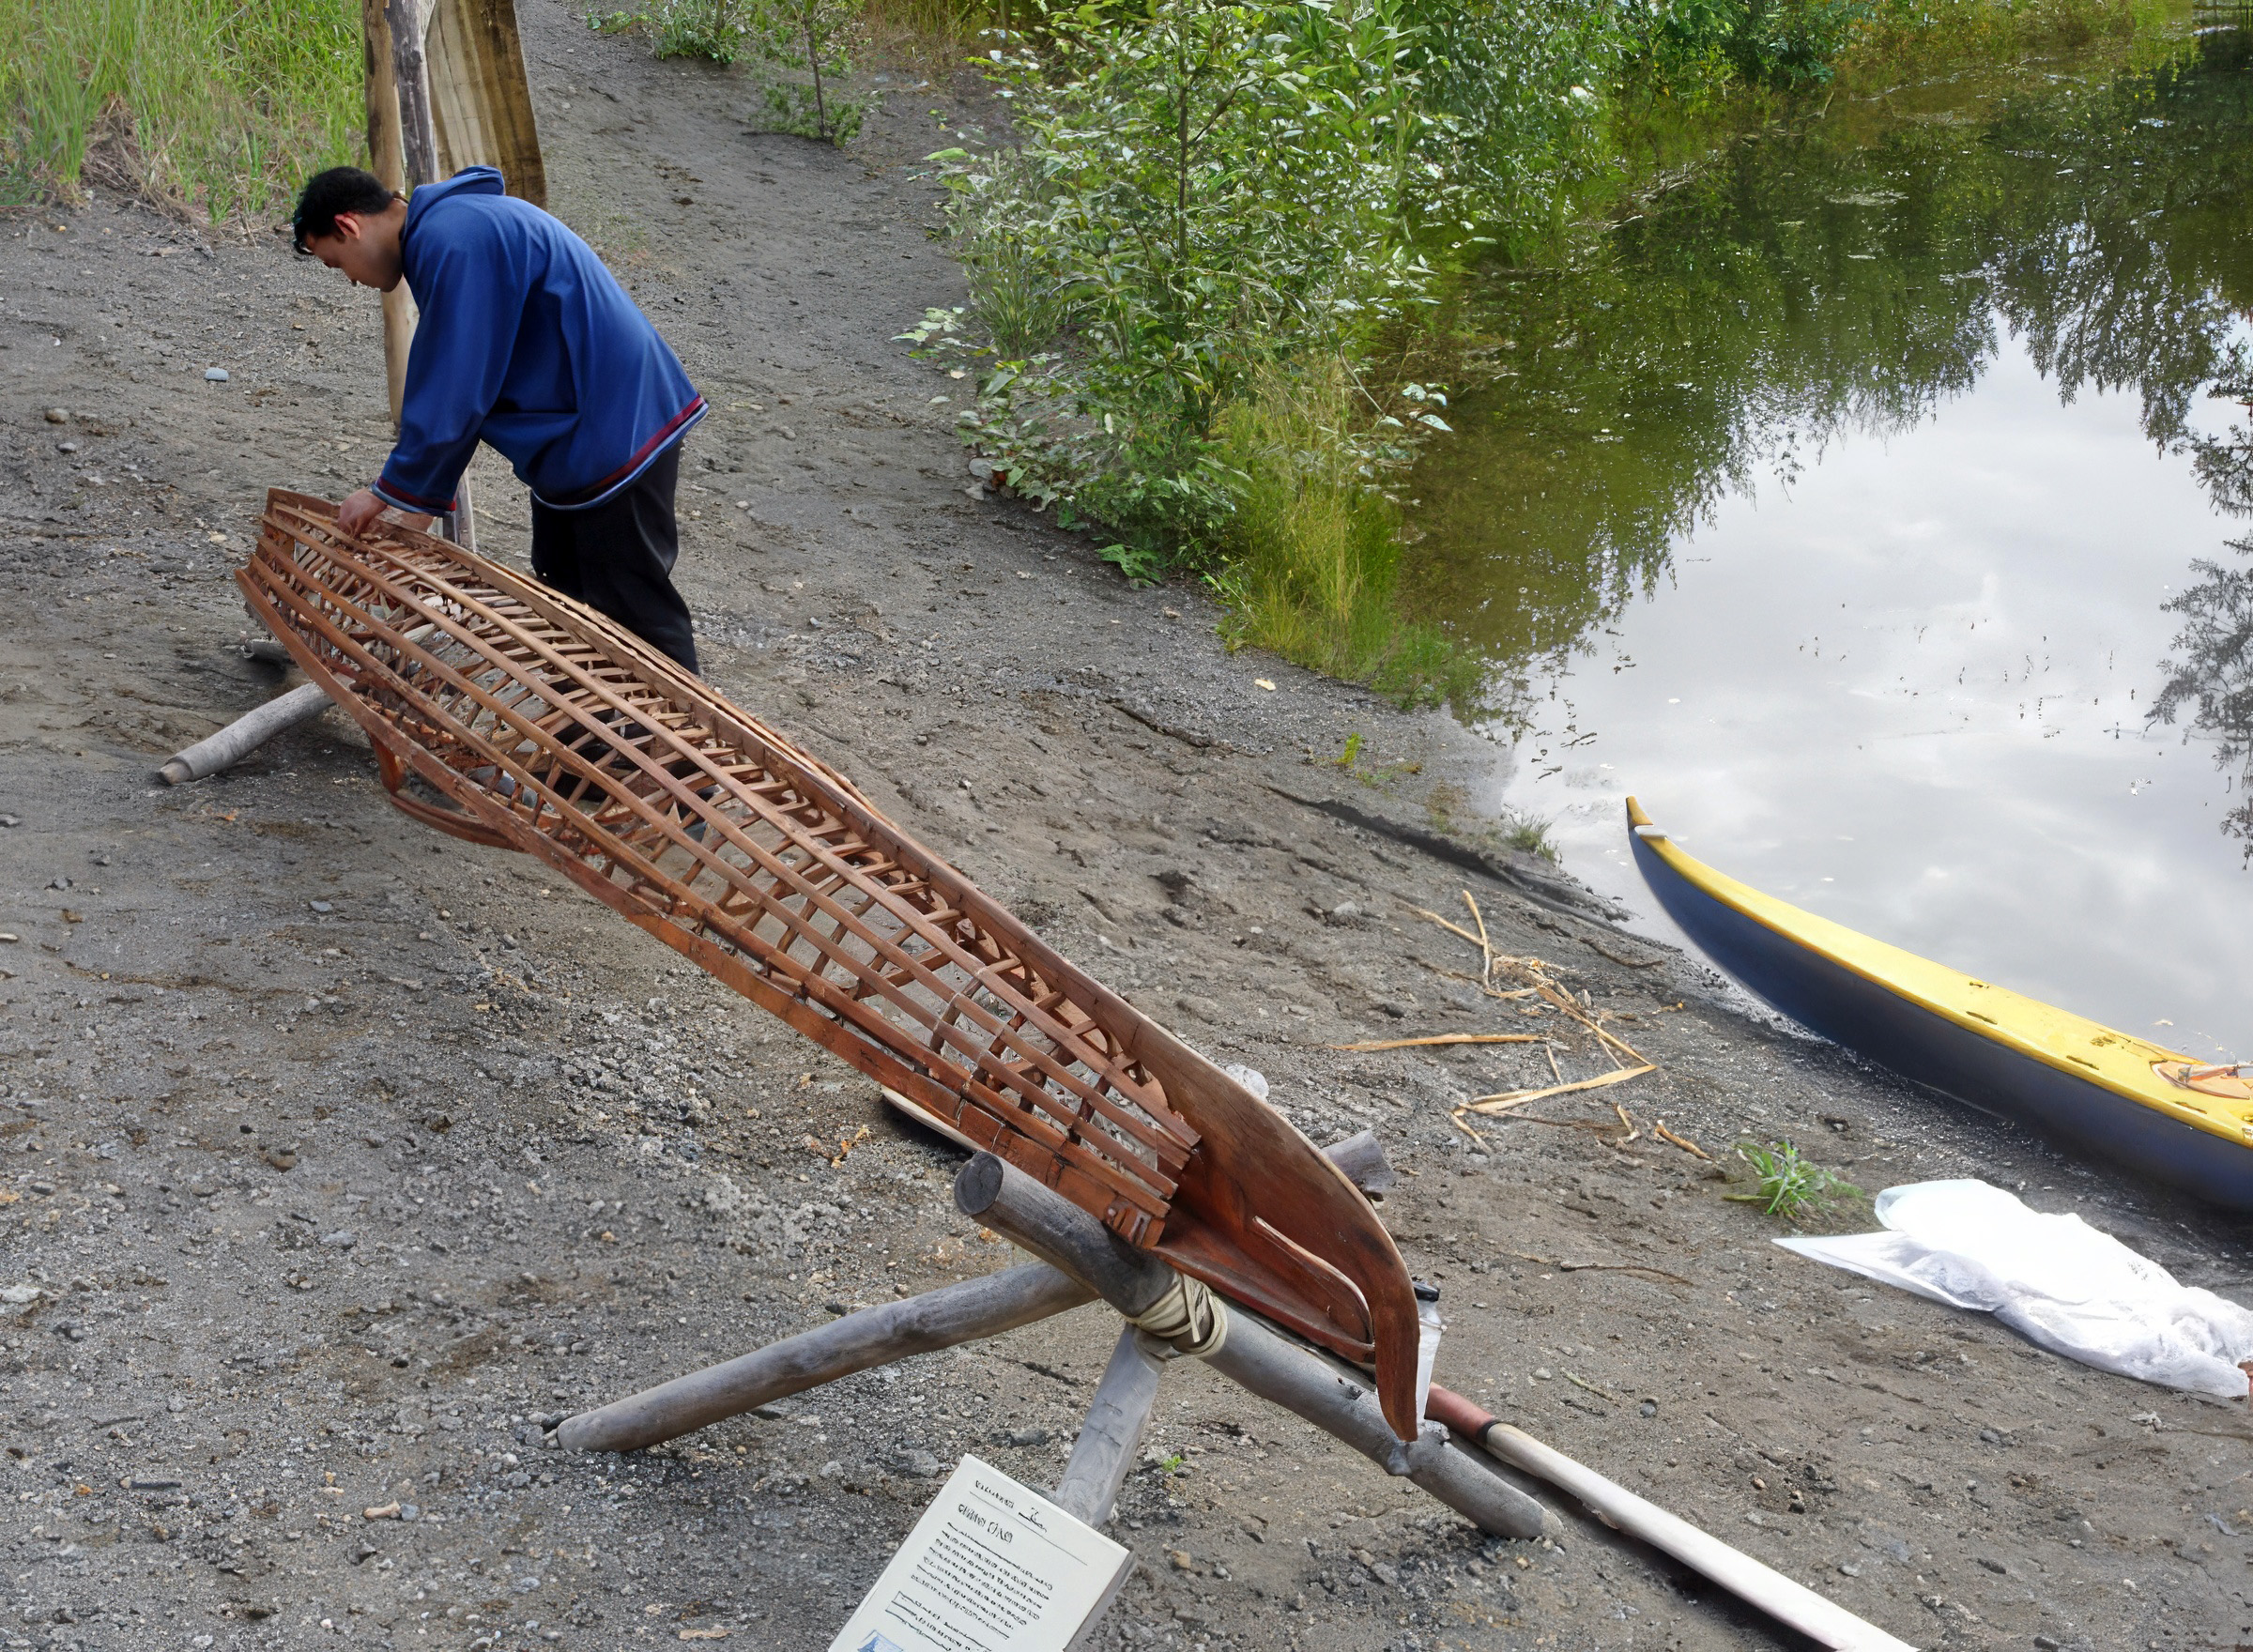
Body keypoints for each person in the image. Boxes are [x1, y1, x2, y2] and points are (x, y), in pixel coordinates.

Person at [291, 164, 706, 673]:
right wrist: (404, 495)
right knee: (568, 595)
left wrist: (393, 492)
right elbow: (469, 380)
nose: (353, 279)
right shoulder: (451, 230)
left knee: (632, 603)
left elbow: (455, 380)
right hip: (583, 429)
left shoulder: (455, 236)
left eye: (336, 264)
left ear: (349, 226)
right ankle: (605, 737)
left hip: (617, 424)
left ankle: (680, 748)